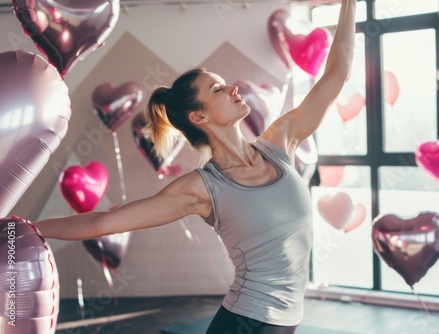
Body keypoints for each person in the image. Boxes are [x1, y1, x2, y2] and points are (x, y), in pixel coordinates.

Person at [33, 0, 356, 332]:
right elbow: (105, 222)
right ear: (199, 116)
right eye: (218, 88)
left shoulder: (280, 142)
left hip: (284, 324)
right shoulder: (201, 189)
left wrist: (349, 3)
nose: (233, 88)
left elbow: (337, 74)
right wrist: (24, 230)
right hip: (246, 323)